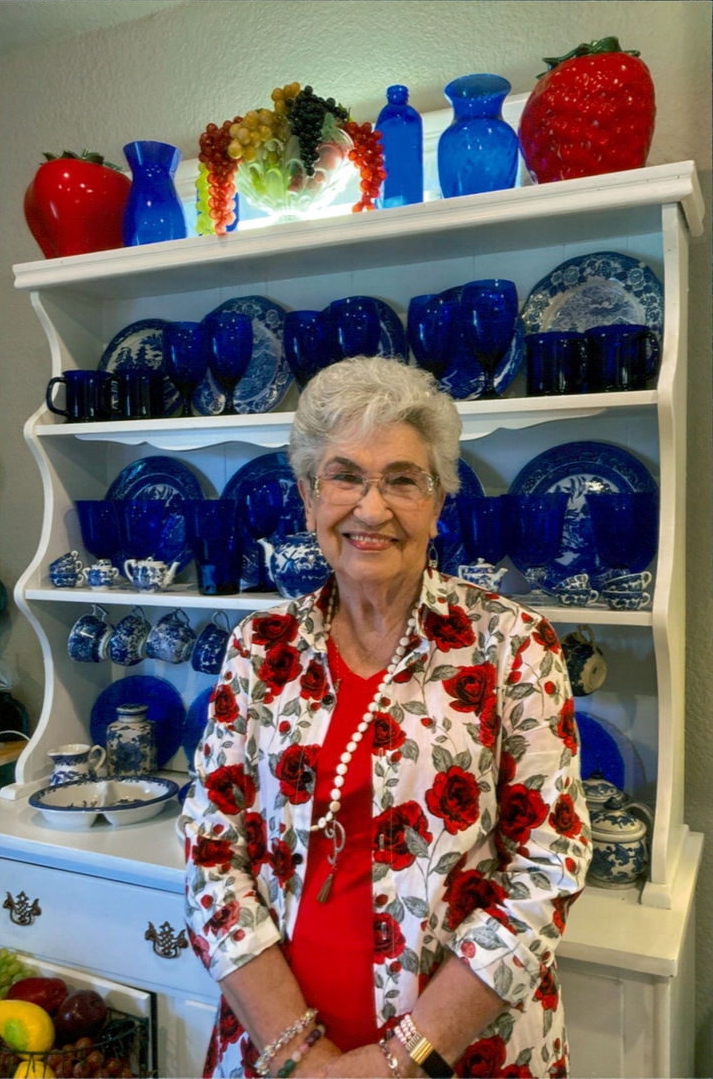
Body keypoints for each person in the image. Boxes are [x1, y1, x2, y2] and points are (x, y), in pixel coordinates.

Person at [181, 356, 591, 1079]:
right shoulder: (260, 646)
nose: (371, 510)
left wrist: (403, 1060)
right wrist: (297, 1054)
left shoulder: (510, 644)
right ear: (309, 498)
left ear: (439, 502)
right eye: (344, 477)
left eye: (403, 480)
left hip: (460, 1051)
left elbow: (547, 865)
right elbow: (211, 850)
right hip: (274, 1046)